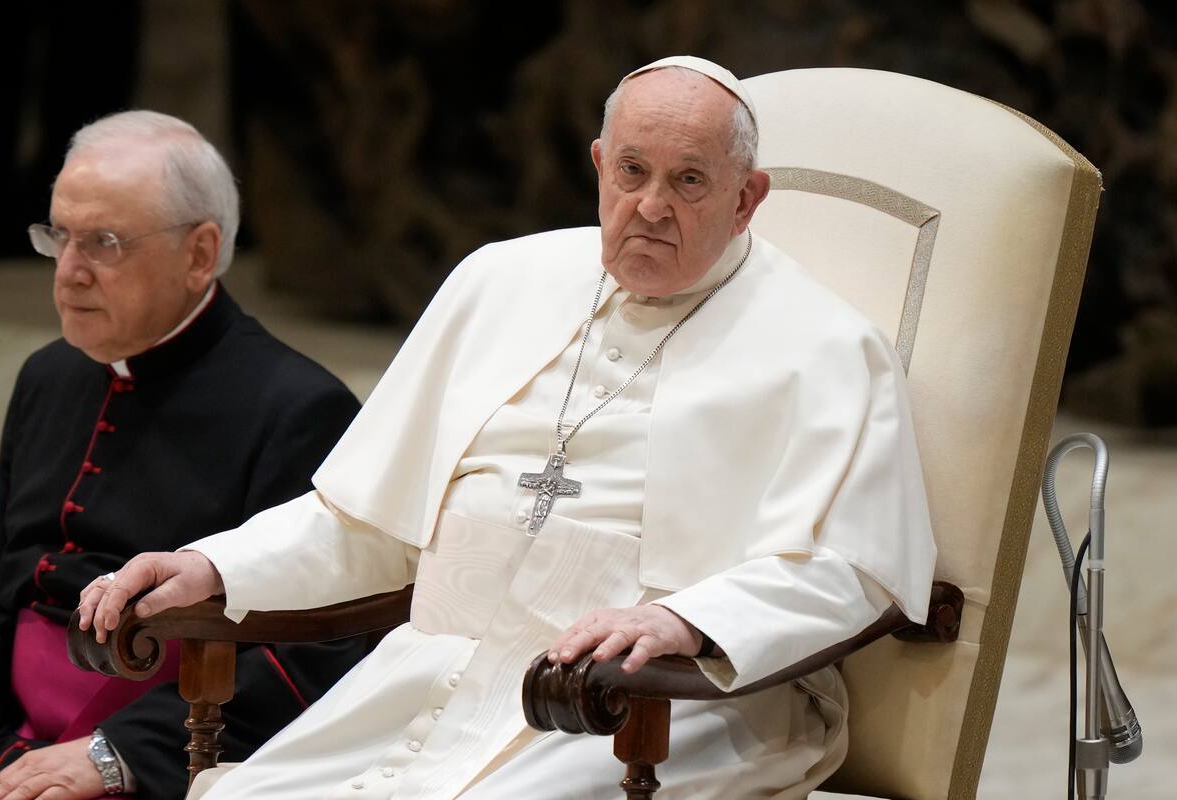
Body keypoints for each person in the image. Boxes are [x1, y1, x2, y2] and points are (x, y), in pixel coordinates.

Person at [81, 58, 937, 799]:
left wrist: (687, 621)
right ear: (599, 164)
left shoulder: (825, 347)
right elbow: (369, 525)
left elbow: (851, 573)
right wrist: (212, 564)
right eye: (631, 171)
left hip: (661, 704)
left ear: (747, 199)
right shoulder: (498, 281)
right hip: (433, 669)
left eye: (689, 181)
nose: (648, 206)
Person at [0, 111, 368, 800]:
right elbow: (9, 585)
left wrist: (117, 755)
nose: (68, 273)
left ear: (198, 253)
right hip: (10, 737)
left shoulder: (300, 408)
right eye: (59, 237)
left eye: (103, 242)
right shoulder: (49, 375)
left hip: (161, 754)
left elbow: (318, 653)